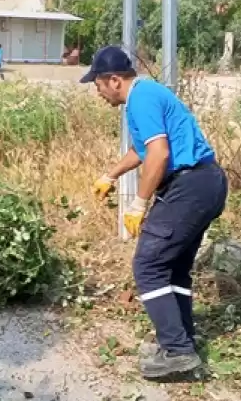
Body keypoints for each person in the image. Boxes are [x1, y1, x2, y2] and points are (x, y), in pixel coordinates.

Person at [84, 46, 228, 380]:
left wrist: (139, 203)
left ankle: (178, 353)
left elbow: (159, 155)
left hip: (190, 186)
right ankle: (181, 342)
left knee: (148, 266)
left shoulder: (141, 98)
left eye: (98, 85)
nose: (98, 92)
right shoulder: (145, 95)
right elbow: (141, 150)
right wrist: (110, 175)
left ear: (114, 80)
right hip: (206, 182)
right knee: (173, 267)